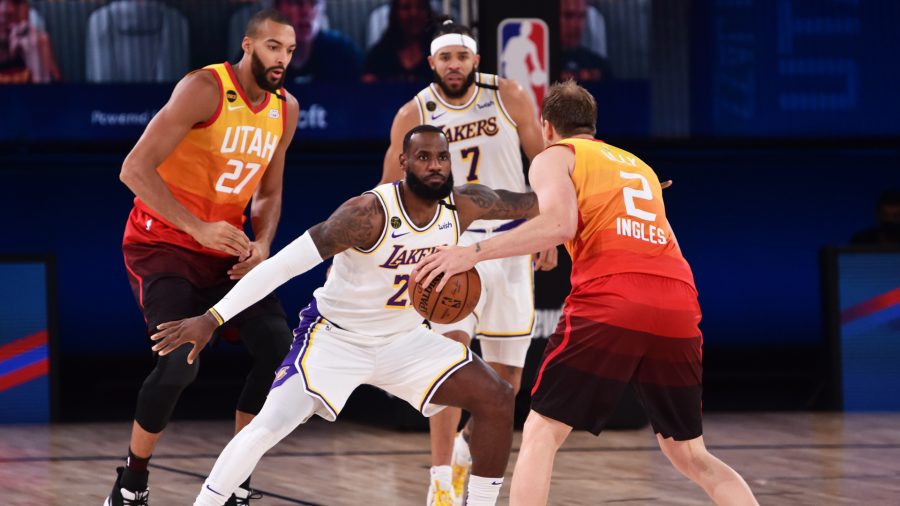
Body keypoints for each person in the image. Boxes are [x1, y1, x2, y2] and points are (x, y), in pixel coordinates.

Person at [149, 125, 540, 506]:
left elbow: (527, 203)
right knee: (268, 426)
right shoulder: (366, 214)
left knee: (497, 397)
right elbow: (281, 267)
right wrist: (211, 318)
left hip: (404, 341)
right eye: (423, 157)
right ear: (403, 162)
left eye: (441, 157)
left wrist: (577, 180)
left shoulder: (464, 205)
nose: (435, 165)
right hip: (335, 339)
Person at [413, 81, 760, 506]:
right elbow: (657, 238)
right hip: (678, 301)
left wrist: (473, 253)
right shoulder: (640, 166)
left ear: (547, 127)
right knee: (690, 453)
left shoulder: (555, 156)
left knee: (542, 431)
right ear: (593, 126)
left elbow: (560, 224)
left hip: (613, 296)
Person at [104, 10, 300, 506]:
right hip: (162, 244)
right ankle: (132, 481)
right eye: (274, 47)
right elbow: (133, 170)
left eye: (291, 50)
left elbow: (269, 193)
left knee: (279, 351)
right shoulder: (204, 88)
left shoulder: (285, 108)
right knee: (178, 364)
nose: (282, 58)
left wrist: (262, 245)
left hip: (226, 252)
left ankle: (235, 478)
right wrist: (198, 227)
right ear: (249, 45)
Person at [380, 19, 557, 505]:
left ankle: (461, 451)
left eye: (462, 57)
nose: (454, 65)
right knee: (447, 366)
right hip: (448, 247)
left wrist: (550, 231)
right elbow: (390, 188)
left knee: (506, 383)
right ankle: (440, 480)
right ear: (431, 61)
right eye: (445, 57)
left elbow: (543, 164)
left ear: (476, 61)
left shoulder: (510, 95)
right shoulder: (413, 112)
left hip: (509, 244)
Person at [275, 0, 361, 83]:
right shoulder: (263, 59)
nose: (306, 11)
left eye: (314, 2)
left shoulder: (343, 52)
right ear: (277, 8)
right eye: (297, 2)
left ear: (324, 7)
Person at [361, 0, 434, 83]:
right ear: (395, 13)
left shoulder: (439, 52)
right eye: (406, 8)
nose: (414, 13)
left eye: (420, 7)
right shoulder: (379, 54)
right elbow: (367, 86)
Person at [0, 0, 60, 83]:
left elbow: (60, 94)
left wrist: (37, 68)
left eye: (15, 2)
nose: (7, 10)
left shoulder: (39, 42)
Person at [559, 0, 612, 82]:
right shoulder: (539, 63)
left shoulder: (598, 65)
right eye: (568, 16)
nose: (576, 25)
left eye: (582, 16)